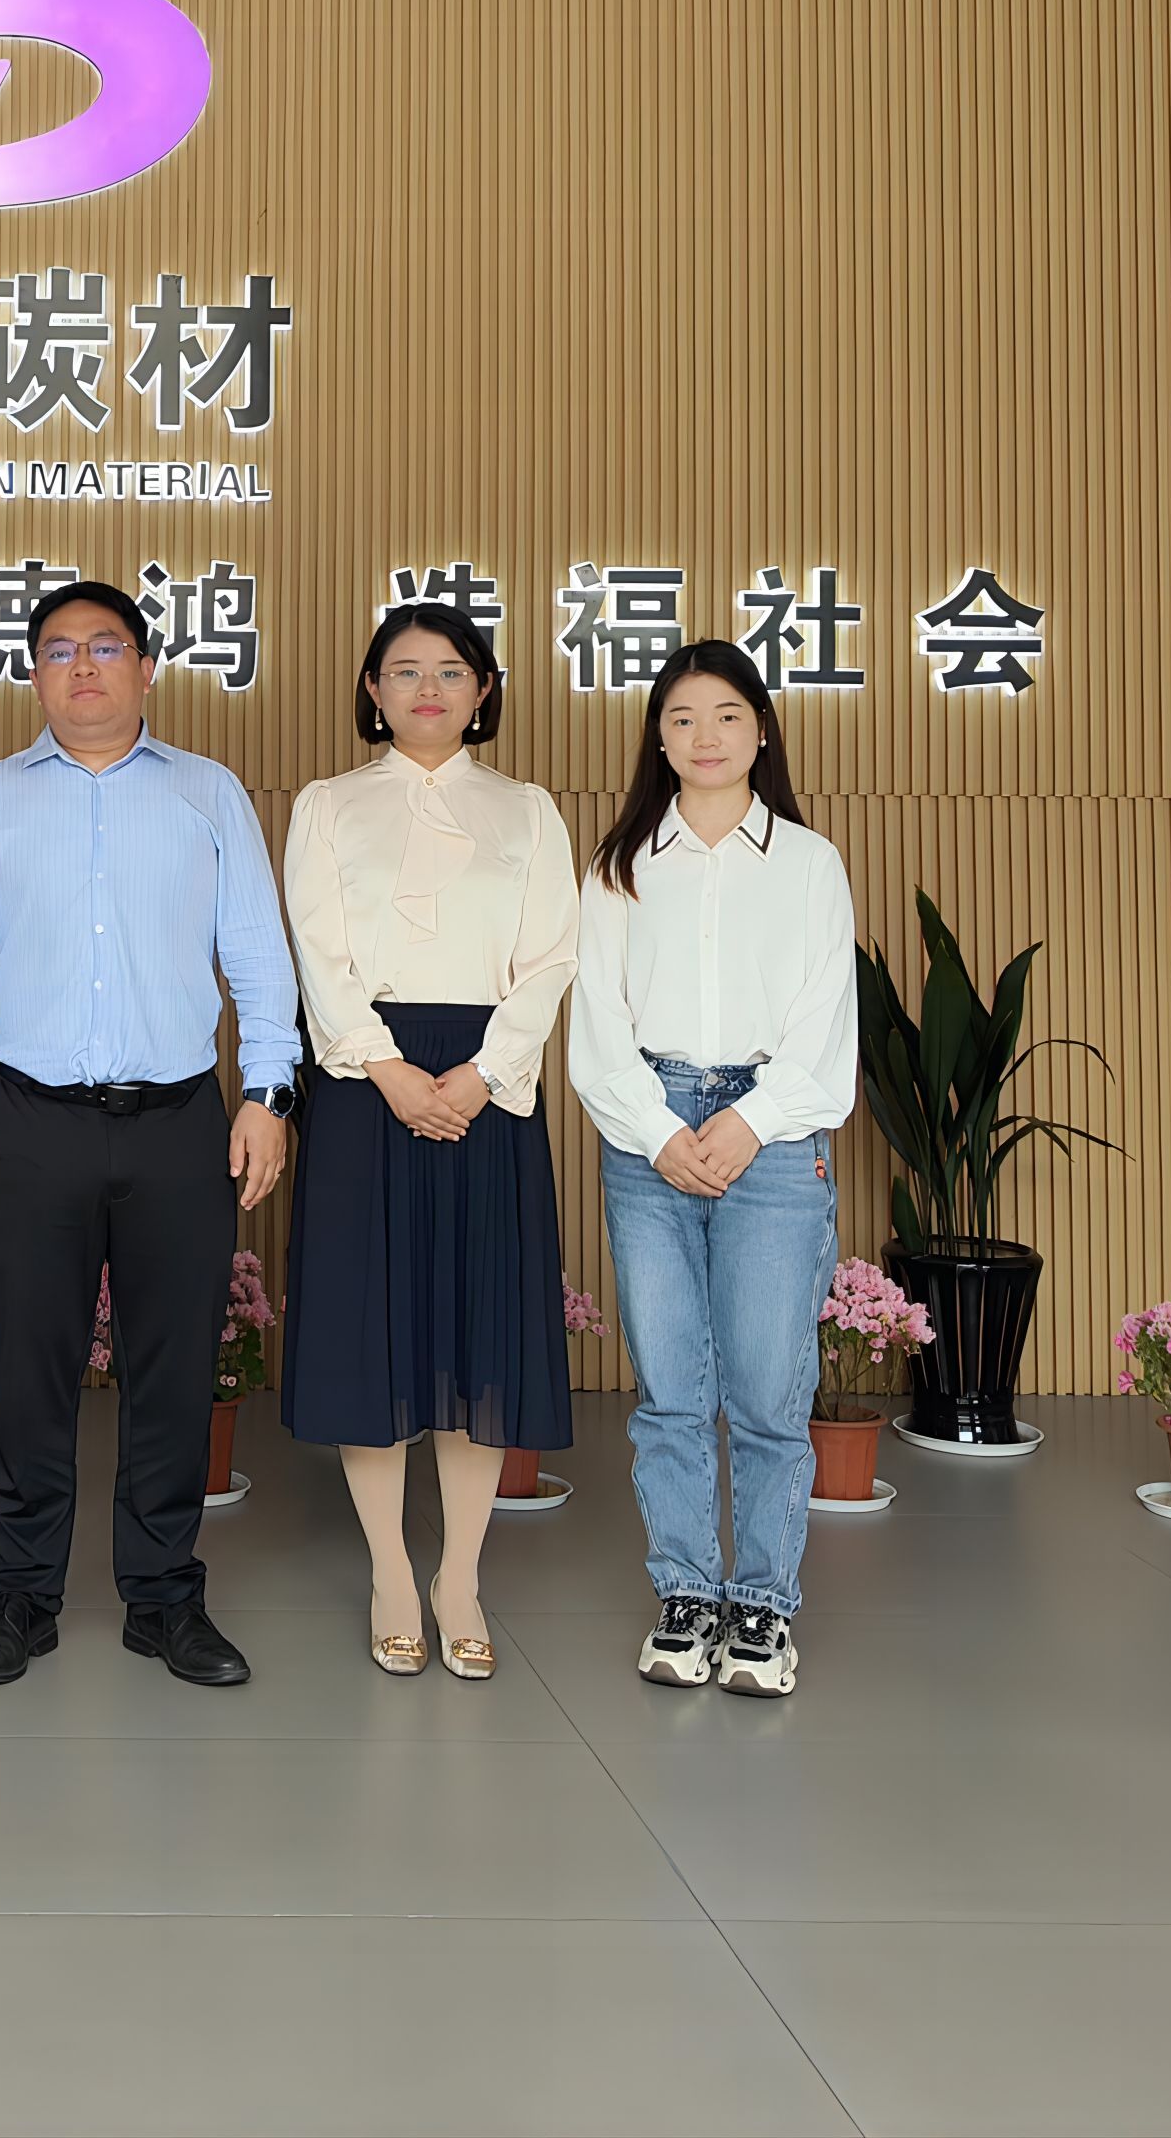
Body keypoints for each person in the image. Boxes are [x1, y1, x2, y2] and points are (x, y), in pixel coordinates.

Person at [0, 579, 298, 1690]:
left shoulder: (206, 793)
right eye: (59, 649)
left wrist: (268, 1093)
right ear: (34, 673)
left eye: (106, 646)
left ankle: (164, 1597)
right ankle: (18, 1597)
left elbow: (257, 953)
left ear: (147, 668)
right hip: (30, 1123)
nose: (82, 666)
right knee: (27, 1374)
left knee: (172, 1371)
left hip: (180, 1123)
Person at [276, 602, 580, 1682]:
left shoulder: (528, 810)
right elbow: (316, 951)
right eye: (403, 671)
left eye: (451, 671)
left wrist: (484, 1076)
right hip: (368, 1083)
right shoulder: (326, 806)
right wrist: (388, 1070)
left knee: (473, 1334)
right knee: (377, 1330)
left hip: (486, 1084)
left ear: (484, 690)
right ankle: (391, 1576)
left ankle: (460, 1578)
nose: (427, 690)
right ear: (371, 690)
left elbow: (552, 957)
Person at [567, 638, 858, 1700]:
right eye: (682, 718)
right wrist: (659, 1132)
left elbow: (825, 1022)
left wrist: (749, 1122)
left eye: (727, 716)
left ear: (762, 731)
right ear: (657, 736)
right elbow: (597, 1027)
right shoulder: (618, 866)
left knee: (769, 1389)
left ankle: (763, 1607)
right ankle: (686, 1593)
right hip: (647, 1134)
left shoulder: (809, 863)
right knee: (671, 1390)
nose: (705, 737)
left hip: (772, 1139)